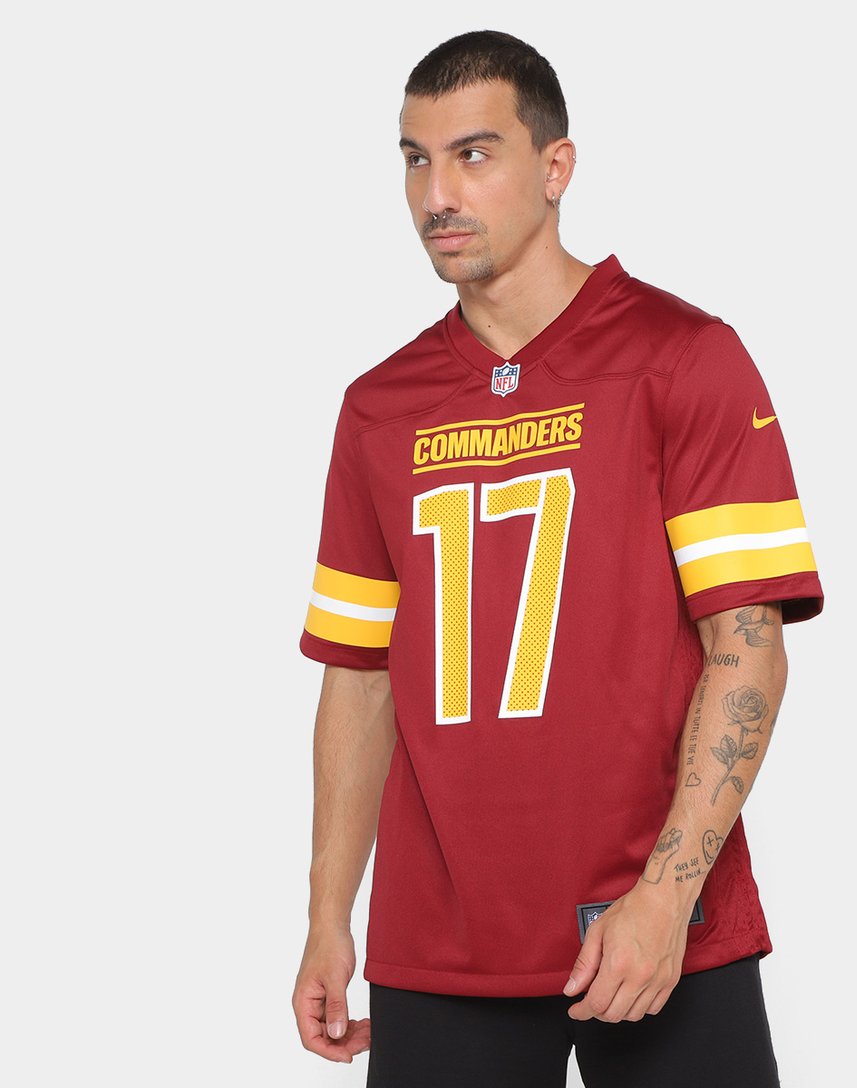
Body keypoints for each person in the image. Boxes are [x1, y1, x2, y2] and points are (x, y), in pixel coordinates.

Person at [291, 29, 823, 1088]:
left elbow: (748, 650)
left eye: (473, 154)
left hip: (658, 927)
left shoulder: (682, 358)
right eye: (415, 159)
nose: (437, 194)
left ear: (555, 166)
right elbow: (358, 675)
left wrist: (664, 897)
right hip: (440, 944)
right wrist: (326, 915)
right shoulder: (379, 407)